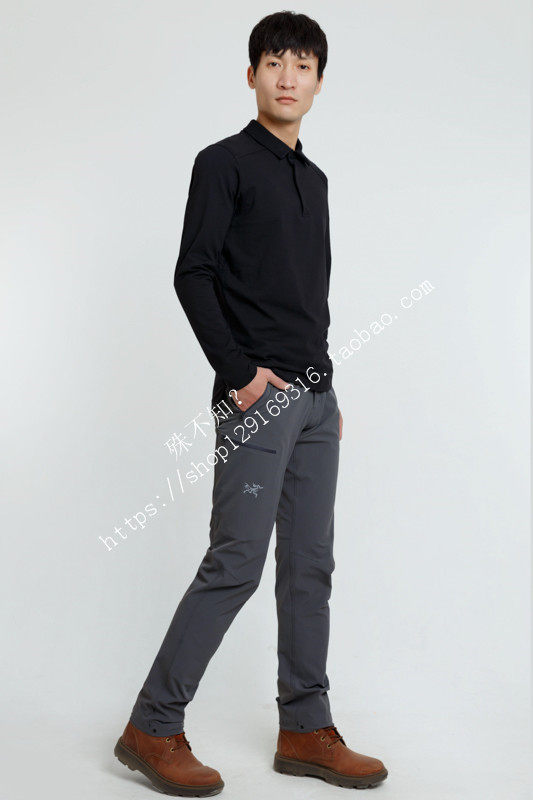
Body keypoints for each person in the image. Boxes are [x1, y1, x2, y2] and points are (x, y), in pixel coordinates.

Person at [114, 10, 388, 795]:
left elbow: (308, 295)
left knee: (309, 567)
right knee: (236, 562)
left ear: (319, 82)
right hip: (258, 399)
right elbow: (192, 272)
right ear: (251, 75)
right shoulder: (223, 163)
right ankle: (152, 726)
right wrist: (238, 375)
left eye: (302, 64)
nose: (287, 76)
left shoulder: (315, 180)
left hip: (314, 401)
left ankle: (305, 726)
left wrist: (325, 384)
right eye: (274, 61)